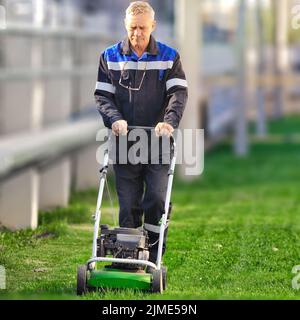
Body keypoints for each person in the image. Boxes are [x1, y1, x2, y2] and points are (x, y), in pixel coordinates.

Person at [94, 1, 188, 264]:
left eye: (142, 28)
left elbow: (178, 94)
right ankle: (128, 259)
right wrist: (114, 120)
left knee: (156, 199)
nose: (137, 34)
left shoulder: (169, 57)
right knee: (128, 205)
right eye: (133, 28)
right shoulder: (110, 57)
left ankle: (153, 254)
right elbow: (102, 96)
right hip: (125, 142)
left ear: (153, 26)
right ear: (126, 26)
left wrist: (169, 121)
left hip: (158, 141)